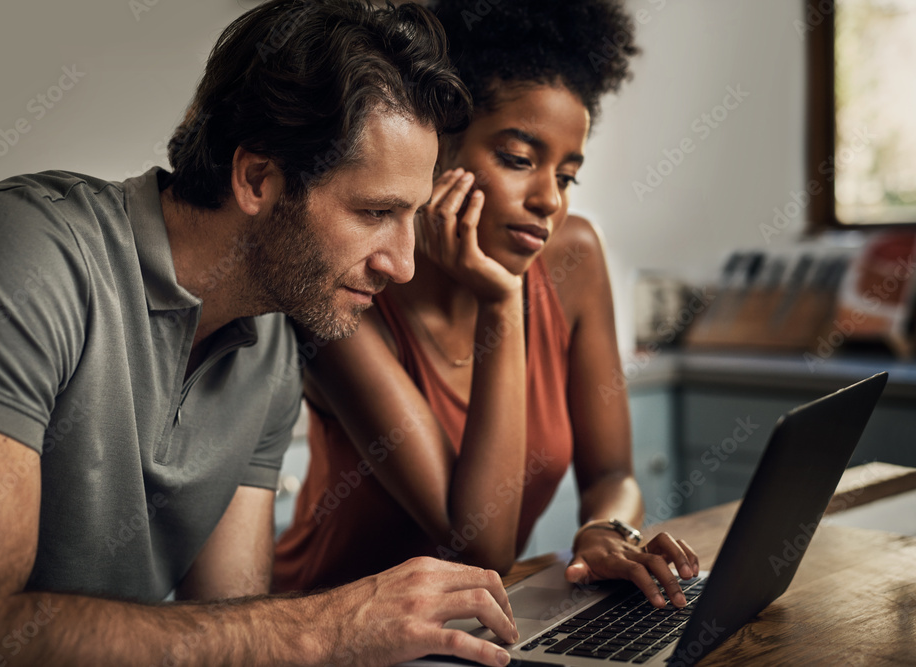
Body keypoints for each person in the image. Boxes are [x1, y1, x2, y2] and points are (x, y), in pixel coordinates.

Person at [0, 2, 521, 666]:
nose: (403, 264)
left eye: (411, 217)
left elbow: (235, 629)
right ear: (257, 178)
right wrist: (331, 624)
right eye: (376, 211)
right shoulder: (17, 261)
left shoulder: (271, 351)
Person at [274, 0, 700, 610]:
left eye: (567, 175)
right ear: (439, 147)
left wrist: (606, 529)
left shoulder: (574, 258)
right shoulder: (351, 290)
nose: (549, 199)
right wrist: (502, 301)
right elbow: (478, 548)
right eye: (519, 160)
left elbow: (612, 475)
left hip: (469, 622)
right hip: (328, 629)